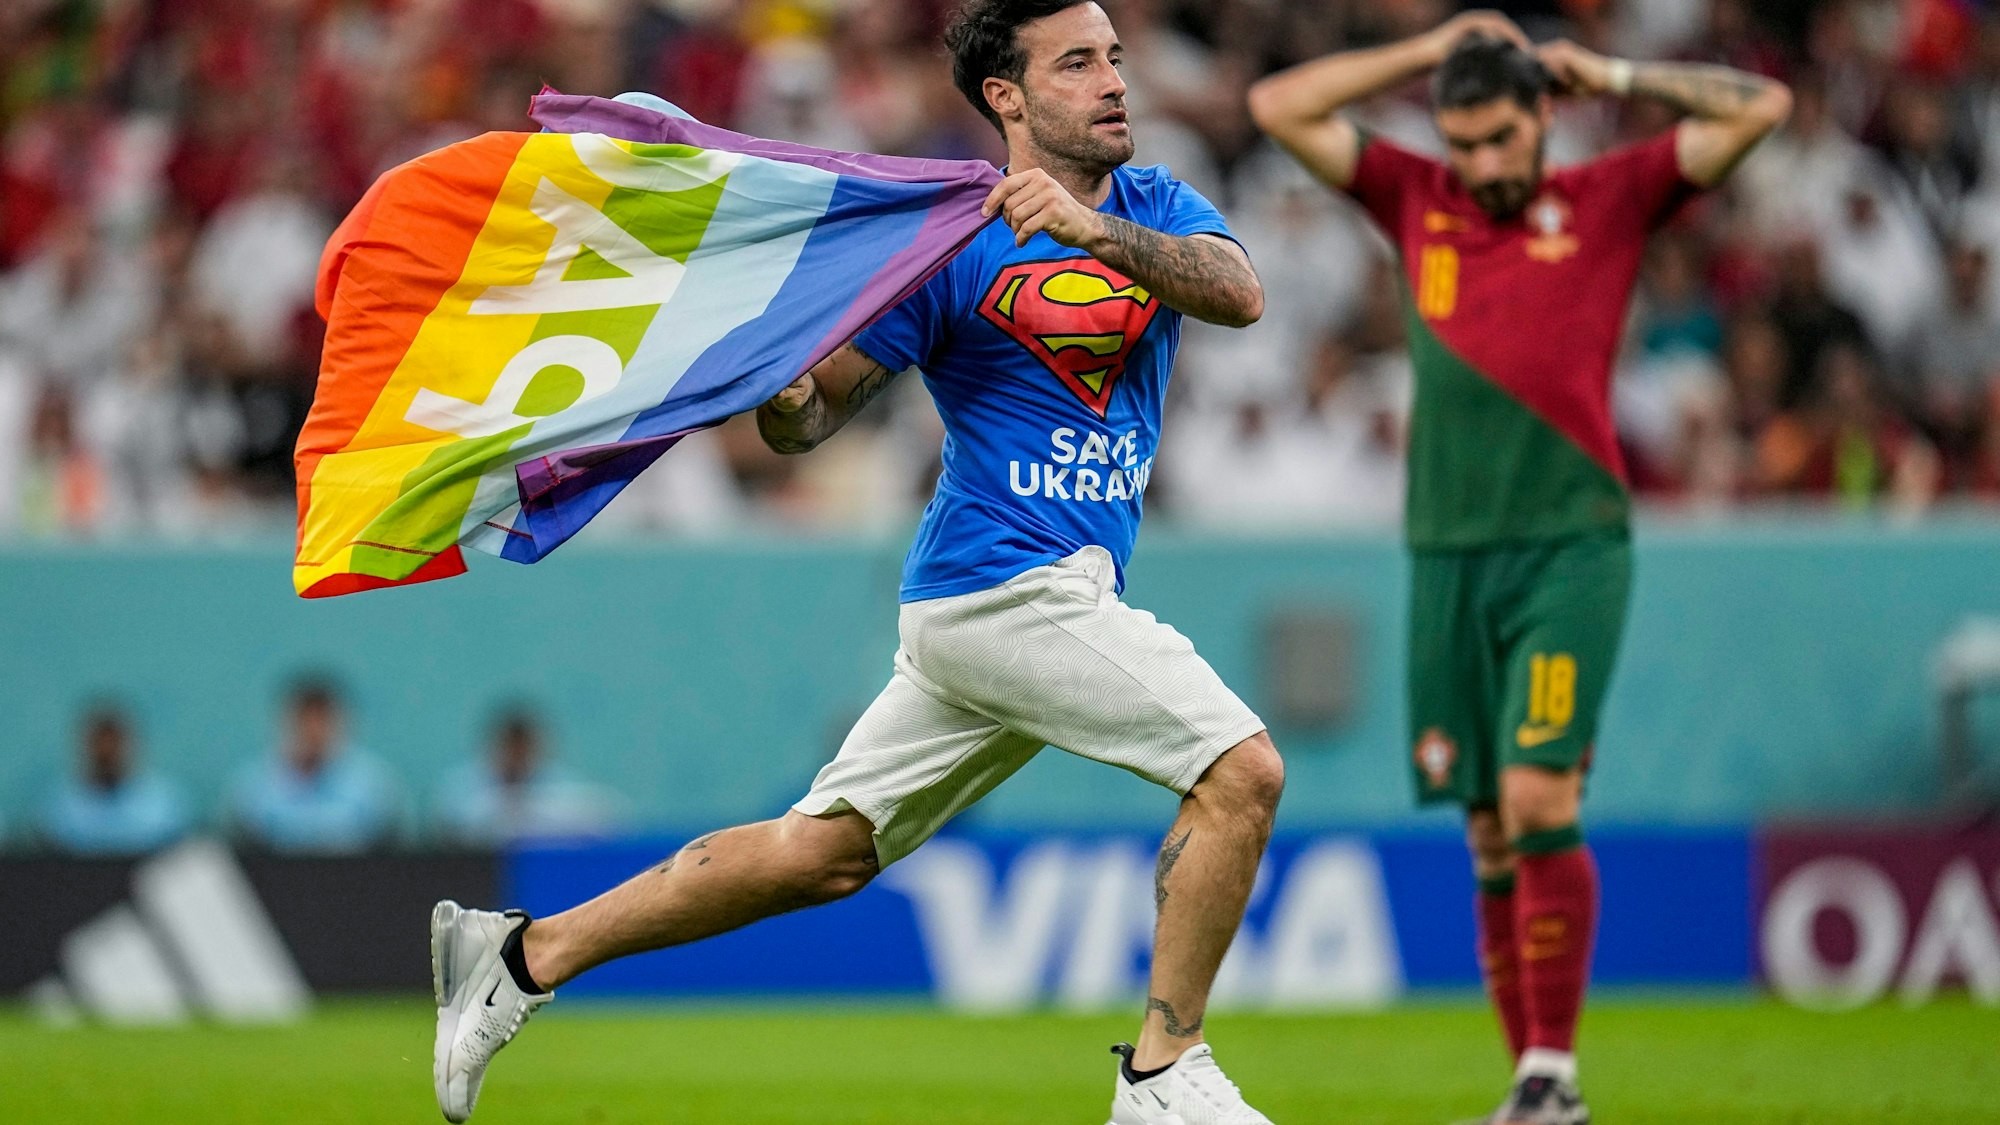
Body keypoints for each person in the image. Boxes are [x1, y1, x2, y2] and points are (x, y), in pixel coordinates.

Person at [429, 2, 1284, 1123]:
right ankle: (1162, 1076)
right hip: (1000, 587)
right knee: (1241, 772)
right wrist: (778, 393)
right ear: (1007, 99)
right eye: (1077, 62)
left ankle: (522, 956)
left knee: (819, 855)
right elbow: (811, 418)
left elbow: (1237, 292)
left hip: (1023, 598)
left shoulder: (1154, 208)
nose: (1113, 80)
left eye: (1114, 57)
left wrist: (1091, 234)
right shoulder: (946, 239)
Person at [1249, 14, 1789, 1125]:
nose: (1483, 165)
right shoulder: (1416, 197)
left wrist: (1615, 74)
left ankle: (1551, 1073)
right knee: (1488, 826)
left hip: (1567, 548)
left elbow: (1761, 109)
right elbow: (1276, 109)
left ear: (1543, 116)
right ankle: (1534, 1092)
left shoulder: (1609, 197)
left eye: (1499, 138)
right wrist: (1426, 49)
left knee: (1539, 792)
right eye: (1462, 143)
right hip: (1443, 555)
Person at [228, 677, 401, 853]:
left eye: (322, 721)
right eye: (306, 720)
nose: (314, 732)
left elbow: (390, 851)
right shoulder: (253, 788)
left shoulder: (373, 786)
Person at [432, 706, 620, 845]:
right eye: (511, 747)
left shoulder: (559, 788)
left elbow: (605, 817)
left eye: (522, 748)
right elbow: (448, 827)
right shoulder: (460, 789)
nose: (516, 755)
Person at [37, 703, 192, 855]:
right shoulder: (60, 806)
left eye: (114, 744)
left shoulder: (164, 803)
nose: (107, 752)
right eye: (100, 746)